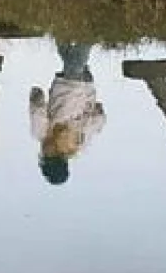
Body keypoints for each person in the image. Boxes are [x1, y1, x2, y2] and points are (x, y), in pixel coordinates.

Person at [29, 42, 107, 185]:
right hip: (75, 86)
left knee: (71, 57)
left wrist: (97, 111)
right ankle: (86, 31)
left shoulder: (47, 135)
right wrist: (97, 112)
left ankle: (62, 30)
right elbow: (98, 123)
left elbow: (37, 111)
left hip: (76, 85)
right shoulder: (76, 142)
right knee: (74, 57)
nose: (46, 152)